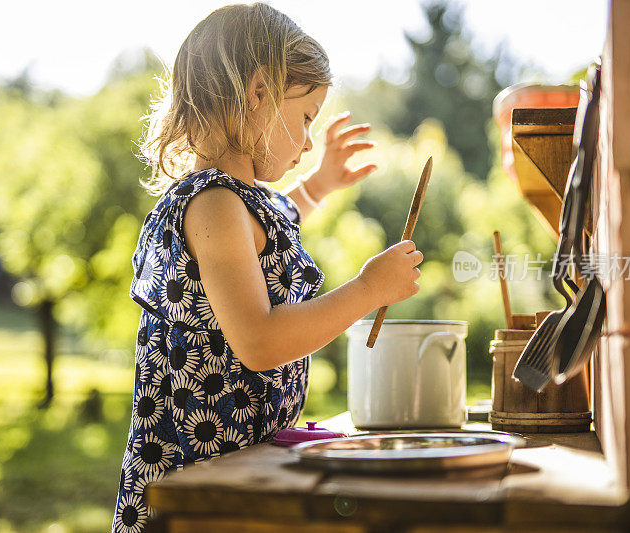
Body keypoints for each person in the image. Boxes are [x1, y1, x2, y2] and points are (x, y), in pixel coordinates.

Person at [111, 4, 423, 531]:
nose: (307, 141)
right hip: (196, 487)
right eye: (305, 118)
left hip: (237, 470)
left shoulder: (240, 202)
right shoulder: (213, 205)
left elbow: (277, 218)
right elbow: (258, 342)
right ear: (258, 94)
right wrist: (369, 289)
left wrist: (321, 185)